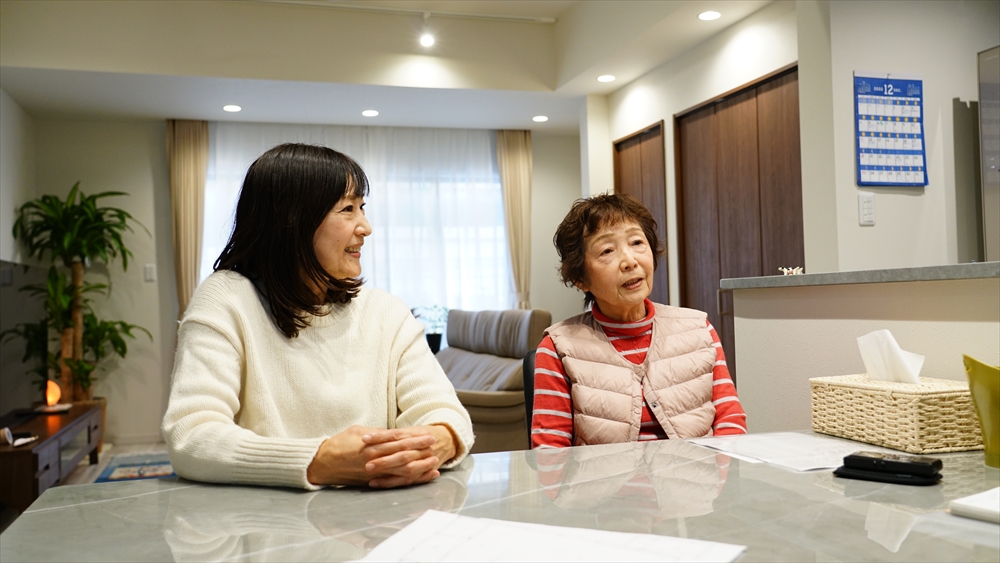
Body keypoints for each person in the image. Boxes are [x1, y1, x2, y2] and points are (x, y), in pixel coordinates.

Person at [162, 143, 474, 490]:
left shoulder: (386, 313)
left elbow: (446, 414)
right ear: (293, 221)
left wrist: (437, 441)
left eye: (362, 207)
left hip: (374, 527)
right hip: (263, 530)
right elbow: (191, 436)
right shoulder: (227, 300)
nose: (366, 227)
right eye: (347, 209)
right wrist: (318, 461)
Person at [531, 193, 746, 449]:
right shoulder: (558, 348)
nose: (630, 261)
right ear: (581, 279)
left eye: (636, 242)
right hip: (600, 488)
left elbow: (730, 422)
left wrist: (718, 484)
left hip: (698, 483)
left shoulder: (699, 329)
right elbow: (549, 454)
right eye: (607, 250)